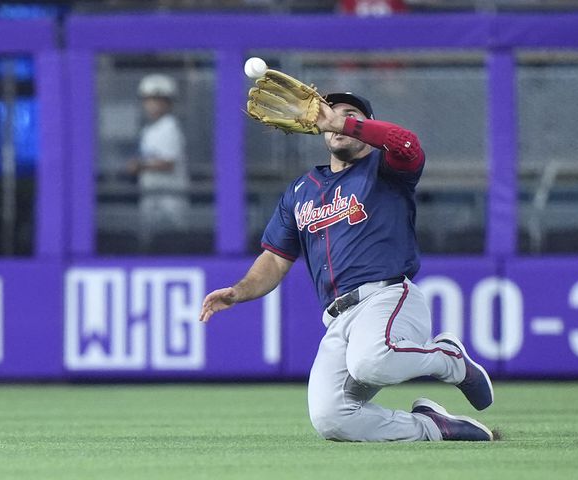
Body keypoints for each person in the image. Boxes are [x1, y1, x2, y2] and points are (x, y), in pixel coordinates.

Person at [200, 92, 495, 442]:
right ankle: (434, 427)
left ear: (365, 126)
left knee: (370, 362)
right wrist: (238, 291)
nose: (334, 119)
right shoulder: (300, 191)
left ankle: (450, 359)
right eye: (330, 113)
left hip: (387, 299)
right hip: (338, 318)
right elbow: (276, 260)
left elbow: (407, 143)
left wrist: (341, 122)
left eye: (349, 114)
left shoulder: (386, 169)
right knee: (331, 417)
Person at [127, 74, 190, 248]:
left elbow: (168, 163)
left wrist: (139, 165)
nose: (152, 104)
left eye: (158, 99)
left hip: (170, 198)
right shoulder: (150, 129)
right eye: (148, 99)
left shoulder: (170, 127)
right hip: (151, 195)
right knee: (150, 241)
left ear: (168, 102)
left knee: (172, 242)